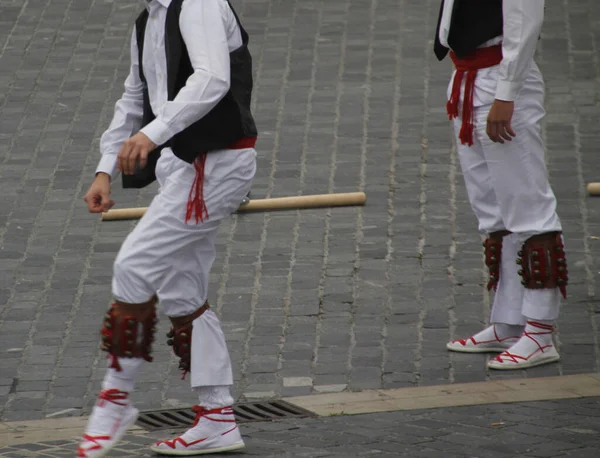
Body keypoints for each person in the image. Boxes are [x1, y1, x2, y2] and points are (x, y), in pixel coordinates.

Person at [77, 0, 258, 456]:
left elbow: (212, 78)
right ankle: (217, 418)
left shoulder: (198, 3)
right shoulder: (147, 19)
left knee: (134, 267)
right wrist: (105, 169)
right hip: (184, 167)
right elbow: (133, 99)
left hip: (217, 166)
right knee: (184, 292)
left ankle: (115, 399)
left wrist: (152, 135)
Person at [433, 0, 568, 370]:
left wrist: (506, 94)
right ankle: (510, 321)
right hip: (468, 79)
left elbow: (524, 22)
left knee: (527, 207)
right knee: (491, 209)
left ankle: (540, 331)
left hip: (500, 79)